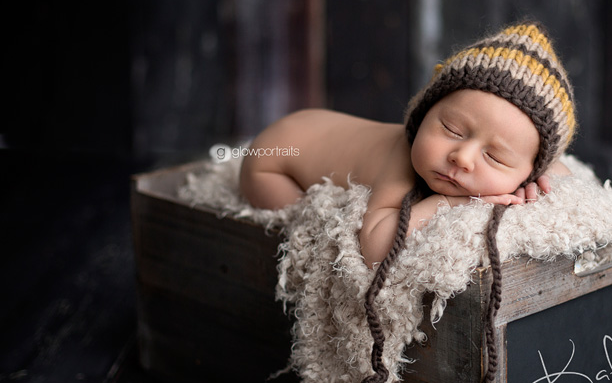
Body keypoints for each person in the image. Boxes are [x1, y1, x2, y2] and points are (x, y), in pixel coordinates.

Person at [239, 22, 576, 267]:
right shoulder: (401, 161)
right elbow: (374, 248)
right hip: (273, 158)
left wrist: (543, 181)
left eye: (495, 156)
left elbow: (559, 172)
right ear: (423, 113)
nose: (462, 157)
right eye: (452, 129)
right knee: (306, 227)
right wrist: (447, 202)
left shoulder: (528, 166)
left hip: (306, 128)